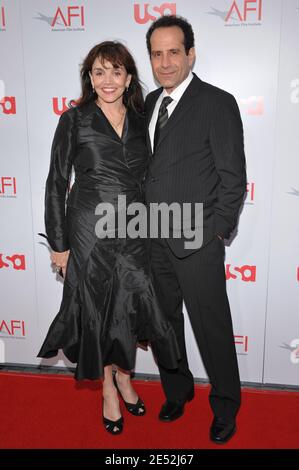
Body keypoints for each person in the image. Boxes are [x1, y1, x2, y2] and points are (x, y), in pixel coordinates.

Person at [37, 41, 180, 435]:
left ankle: (124, 376)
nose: (108, 80)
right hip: (88, 233)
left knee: (128, 307)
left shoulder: (143, 119)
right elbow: (56, 183)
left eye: (116, 71)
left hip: (134, 230)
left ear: (129, 77)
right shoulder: (74, 120)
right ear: (90, 78)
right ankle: (108, 391)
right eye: (99, 72)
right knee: (96, 311)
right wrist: (60, 245)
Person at [144, 15, 247, 443]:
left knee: (212, 328)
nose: (165, 62)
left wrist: (215, 232)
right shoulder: (149, 103)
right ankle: (177, 391)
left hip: (197, 242)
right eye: (156, 53)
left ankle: (225, 406)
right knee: (164, 324)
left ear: (190, 54)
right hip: (152, 239)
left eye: (173, 52)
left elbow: (233, 177)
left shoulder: (217, 102)